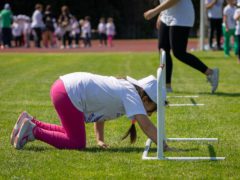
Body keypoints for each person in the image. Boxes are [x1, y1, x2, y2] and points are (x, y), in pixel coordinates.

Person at [11, 72, 170, 150]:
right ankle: (33, 131)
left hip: (63, 87)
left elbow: (102, 115)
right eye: (154, 108)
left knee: (70, 133)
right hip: (67, 92)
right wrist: (163, 146)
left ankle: (31, 122)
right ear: (145, 98)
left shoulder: (127, 89)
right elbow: (147, 126)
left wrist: (100, 139)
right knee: (77, 143)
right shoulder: (132, 94)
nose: (152, 113)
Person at [144, 0, 219, 94]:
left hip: (181, 16)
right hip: (166, 14)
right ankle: (167, 86)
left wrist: (155, 11)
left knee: (179, 52)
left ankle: (210, 73)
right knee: (163, 49)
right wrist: (161, 13)